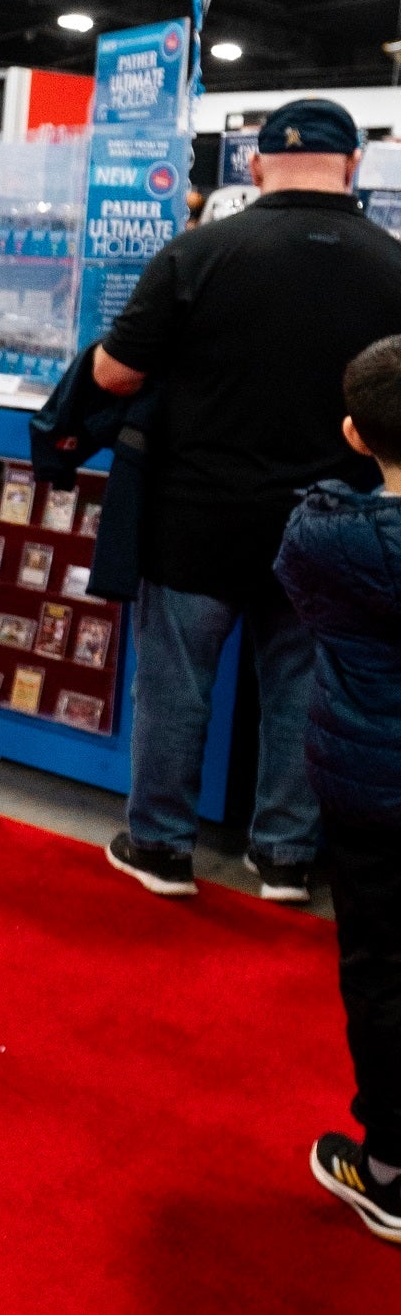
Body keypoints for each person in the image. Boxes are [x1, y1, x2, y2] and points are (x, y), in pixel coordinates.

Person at [93, 97, 401, 904]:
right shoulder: (393, 265)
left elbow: (114, 374)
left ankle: (159, 848)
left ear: (256, 164)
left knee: (175, 688)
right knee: (306, 689)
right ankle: (286, 858)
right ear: (355, 164)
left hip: (198, 515)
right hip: (331, 522)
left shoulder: (197, 252)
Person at [278, 336, 401, 1241]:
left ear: (355, 434)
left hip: (372, 791)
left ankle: (390, 1171)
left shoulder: (325, 537)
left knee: (384, 968)